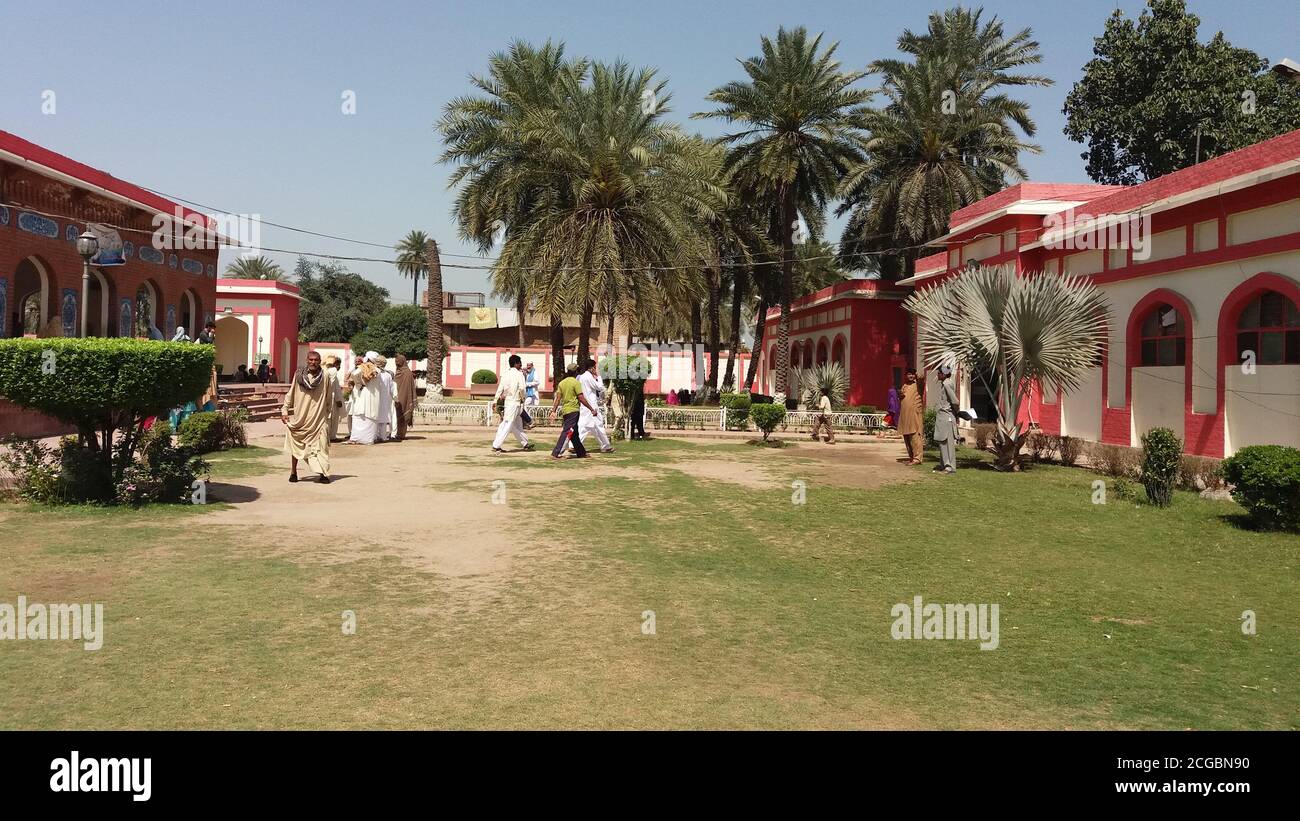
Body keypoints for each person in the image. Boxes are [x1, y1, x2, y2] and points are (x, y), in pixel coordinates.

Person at [280, 350, 340, 483]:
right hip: (301, 418)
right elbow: (291, 393)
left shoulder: (324, 375)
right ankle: (293, 472)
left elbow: (329, 396)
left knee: (322, 447)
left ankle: (324, 474)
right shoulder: (299, 374)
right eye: (311, 360)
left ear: (319, 361)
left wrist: (327, 414)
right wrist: (284, 410)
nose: (313, 362)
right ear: (307, 360)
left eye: (316, 360)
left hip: (318, 419)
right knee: (296, 445)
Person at [551, 363, 596, 460]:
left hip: (565, 410)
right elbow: (581, 398)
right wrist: (591, 409)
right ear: (576, 372)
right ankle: (557, 452)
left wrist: (553, 410)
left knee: (574, 433)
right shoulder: (576, 383)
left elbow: (558, 399)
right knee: (568, 431)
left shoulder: (562, 383)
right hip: (573, 410)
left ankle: (581, 453)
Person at [491, 355, 532, 453]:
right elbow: (522, 388)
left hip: (509, 402)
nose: (521, 365)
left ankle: (525, 443)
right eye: (520, 363)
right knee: (508, 424)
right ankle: (497, 445)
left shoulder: (506, 374)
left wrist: (495, 400)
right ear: (516, 363)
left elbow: (500, 388)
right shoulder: (519, 374)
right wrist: (523, 397)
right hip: (515, 402)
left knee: (516, 425)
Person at [574, 357, 614, 453]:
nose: (595, 369)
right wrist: (599, 378)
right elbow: (599, 387)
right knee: (596, 426)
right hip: (591, 405)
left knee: (585, 426)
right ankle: (605, 446)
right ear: (591, 368)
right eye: (595, 367)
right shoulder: (588, 377)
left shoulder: (582, 377)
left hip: (584, 404)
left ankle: (574, 445)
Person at [347, 352, 382, 444]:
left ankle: (357, 438)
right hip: (372, 396)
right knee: (367, 415)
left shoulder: (363, 368)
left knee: (361, 416)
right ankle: (368, 439)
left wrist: (359, 384)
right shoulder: (377, 370)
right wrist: (360, 383)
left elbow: (354, 374)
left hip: (362, 394)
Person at [933, 364, 960, 474]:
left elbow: (954, 401)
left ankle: (949, 467)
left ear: (943, 374)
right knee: (942, 440)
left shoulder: (947, 384)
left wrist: (957, 412)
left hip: (947, 415)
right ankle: (944, 464)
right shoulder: (945, 383)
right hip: (943, 416)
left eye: (939, 373)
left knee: (946, 441)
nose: (937, 375)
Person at [897, 368, 924, 465]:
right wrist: (900, 395)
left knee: (915, 436)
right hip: (905, 416)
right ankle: (912, 457)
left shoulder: (918, 385)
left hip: (914, 415)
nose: (911, 376)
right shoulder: (905, 385)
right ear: (905, 375)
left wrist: (917, 374)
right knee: (907, 436)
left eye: (912, 374)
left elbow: (921, 378)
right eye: (909, 374)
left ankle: (917, 458)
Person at [393, 354, 417, 441]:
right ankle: (397, 433)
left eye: (398, 361)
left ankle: (401, 434)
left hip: (406, 396)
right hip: (397, 396)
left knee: (404, 413)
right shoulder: (398, 371)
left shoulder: (407, 372)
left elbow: (411, 387)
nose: (396, 363)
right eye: (396, 362)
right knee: (397, 414)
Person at [323, 355, 346, 442]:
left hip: (333, 399)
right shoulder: (332, 371)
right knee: (331, 419)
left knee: (333, 419)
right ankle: (330, 436)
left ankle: (331, 436)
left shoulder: (328, 372)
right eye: (338, 364)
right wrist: (337, 400)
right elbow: (332, 388)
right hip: (332, 400)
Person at [374, 355, 395, 442]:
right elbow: (391, 389)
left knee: (376, 417)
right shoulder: (388, 375)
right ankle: (383, 436)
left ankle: (375, 436)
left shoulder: (375, 374)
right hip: (385, 399)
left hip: (375, 398)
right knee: (383, 418)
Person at [522, 362, 540, 428]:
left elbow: (537, 382)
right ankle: (528, 421)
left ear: (532, 366)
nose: (528, 367)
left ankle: (529, 421)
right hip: (526, 392)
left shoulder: (535, 372)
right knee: (526, 407)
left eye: (529, 366)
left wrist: (528, 384)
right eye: (527, 366)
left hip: (532, 393)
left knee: (526, 406)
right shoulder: (526, 373)